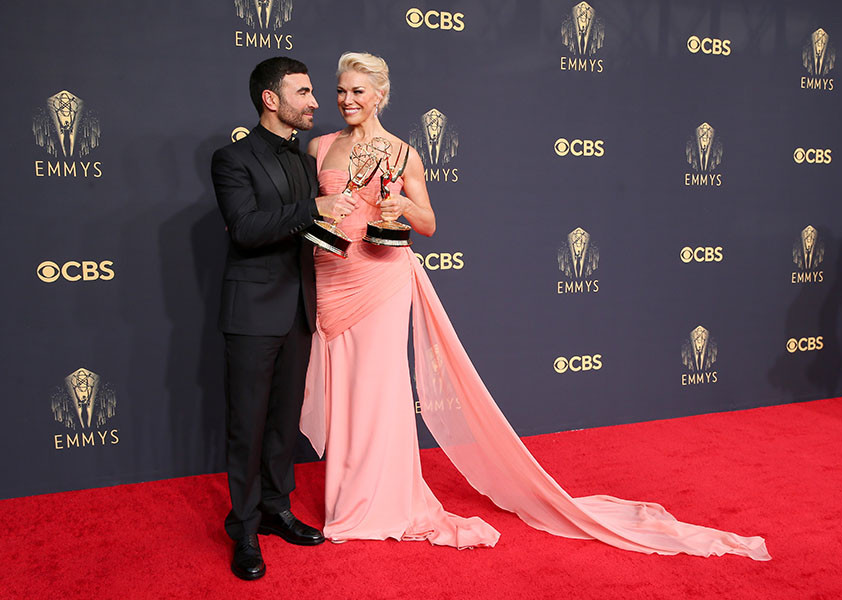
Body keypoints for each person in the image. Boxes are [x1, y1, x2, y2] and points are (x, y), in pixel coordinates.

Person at [300, 52, 771, 560]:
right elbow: (307, 210)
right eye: (342, 90)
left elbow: (430, 224)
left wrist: (401, 208)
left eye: (358, 92)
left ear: (381, 95)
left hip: (380, 279)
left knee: (378, 390)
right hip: (330, 278)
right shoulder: (319, 146)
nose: (347, 100)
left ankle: (378, 504)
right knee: (342, 389)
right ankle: (345, 498)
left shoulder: (403, 154)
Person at [210, 56, 356, 581]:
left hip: (298, 310)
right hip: (251, 313)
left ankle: (276, 508)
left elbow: (302, 230)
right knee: (247, 425)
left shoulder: (301, 159)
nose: (316, 101)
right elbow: (246, 229)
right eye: (304, 92)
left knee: (282, 422)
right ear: (271, 99)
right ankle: (244, 528)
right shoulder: (231, 159)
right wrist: (317, 208)